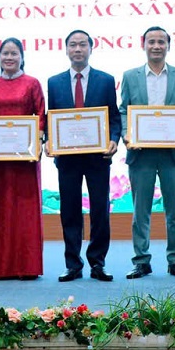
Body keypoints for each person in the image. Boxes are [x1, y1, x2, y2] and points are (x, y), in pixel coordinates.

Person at [45, 29, 121, 282]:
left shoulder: (106, 80)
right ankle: (73, 264)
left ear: (91, 48)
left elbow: (114, 117)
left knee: (100, 210)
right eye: (73, 45)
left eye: (82, 45)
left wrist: (113, 139)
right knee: (69, 211)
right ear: (66, 49)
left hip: (98, 157)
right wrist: (48, 140)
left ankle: (98, 263)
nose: (78, 49)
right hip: (67, 158)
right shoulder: (54, 82)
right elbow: (51, 118)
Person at [119, 26, 175, 280]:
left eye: (161, 41)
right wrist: (127, 134)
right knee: (141, 212)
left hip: (173, 153)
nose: (156, 46)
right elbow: (124, 110)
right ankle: (141, 261)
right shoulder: (130, 76)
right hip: (142, 154)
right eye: (152, 41)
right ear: (144, 45)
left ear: (168, 45)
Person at [0, 37, 46, 280]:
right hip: (0, 161)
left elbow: (41, 115)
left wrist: (37, 143)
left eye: (14, 53)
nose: (9, 57)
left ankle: (27, 267)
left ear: (22, 57)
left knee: (26, 211)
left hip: (25, 160)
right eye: (5, 53)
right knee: (1, 209)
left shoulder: (33, 83)